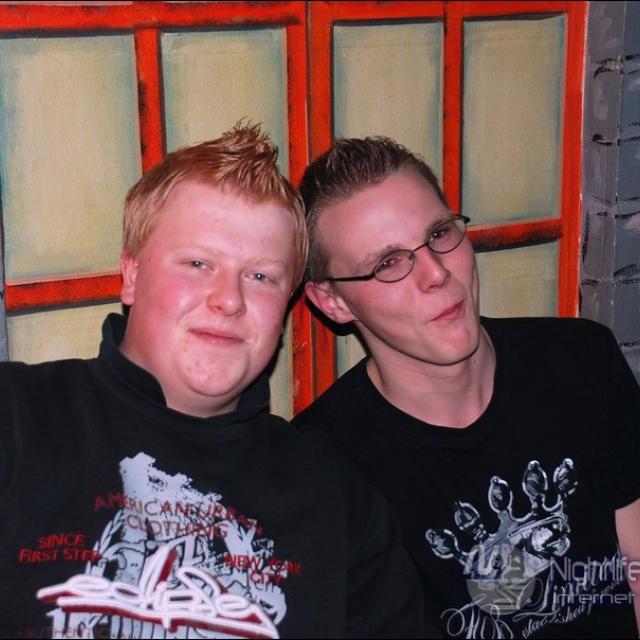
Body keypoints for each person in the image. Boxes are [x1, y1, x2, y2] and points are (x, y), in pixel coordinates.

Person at [0, 125, 428, 639]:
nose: (229, 300)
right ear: (131, 275)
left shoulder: (336, 497)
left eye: (261, 276)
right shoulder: (16, 419)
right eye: (198, 263)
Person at [293, 135, 640, 639]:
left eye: (438, 233)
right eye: (388, 263)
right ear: (333, 302)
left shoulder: (582, 359)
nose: (436, 273)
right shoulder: (321, 468)